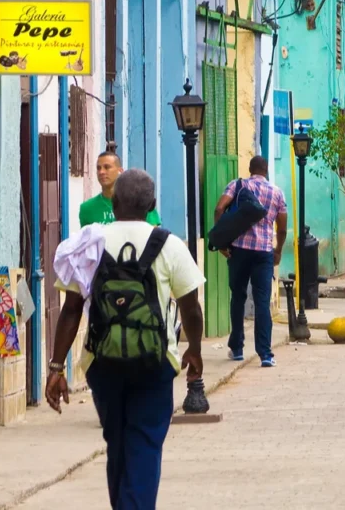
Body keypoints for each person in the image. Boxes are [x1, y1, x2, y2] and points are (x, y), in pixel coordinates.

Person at [46, 170, 203, 510]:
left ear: (113, 203)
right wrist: (195, 350)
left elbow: (71, 310)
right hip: (155, 362)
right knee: (144, 444)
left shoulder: (90, 242)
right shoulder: (169, 245)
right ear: (153, 205)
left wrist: (56, 367)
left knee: (117, 442)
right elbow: (191, 308)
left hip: (103, 363)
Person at [213, 156, 288, 367]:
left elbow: (219, 209)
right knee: (262, 301)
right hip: (263, 253)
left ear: (250, 169)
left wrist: (221, 240)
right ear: (266, 170)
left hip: (239, 250)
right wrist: (278, 251)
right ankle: (265, 354)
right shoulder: (277, 192)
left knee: (237, 297)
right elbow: (281, 228)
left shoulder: (238, 185)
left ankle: (237, 348)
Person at [79, 152, 162, 226]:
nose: (101, 172)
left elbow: (154, 235)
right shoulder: (87, 208)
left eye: (107, 167)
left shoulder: (138, 202)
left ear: (120, 171)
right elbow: (86, 240)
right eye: (98, 168)